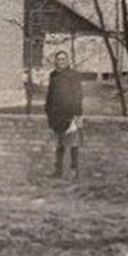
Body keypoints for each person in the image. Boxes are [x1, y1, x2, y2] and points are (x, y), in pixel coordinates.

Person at [44, 50, 83, 178]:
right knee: (59, 144)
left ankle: (74, 171)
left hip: (71, 115)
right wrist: (48, 111)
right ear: (55, 61)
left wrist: (77, 115)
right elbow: (50, 95)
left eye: (63, 59)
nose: (60, 62)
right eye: (58, 59)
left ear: (67, 61)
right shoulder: (53, 75)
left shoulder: (73, 75)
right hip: (56, 116)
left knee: (73, 143)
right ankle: (58, 171)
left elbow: (78, 95)